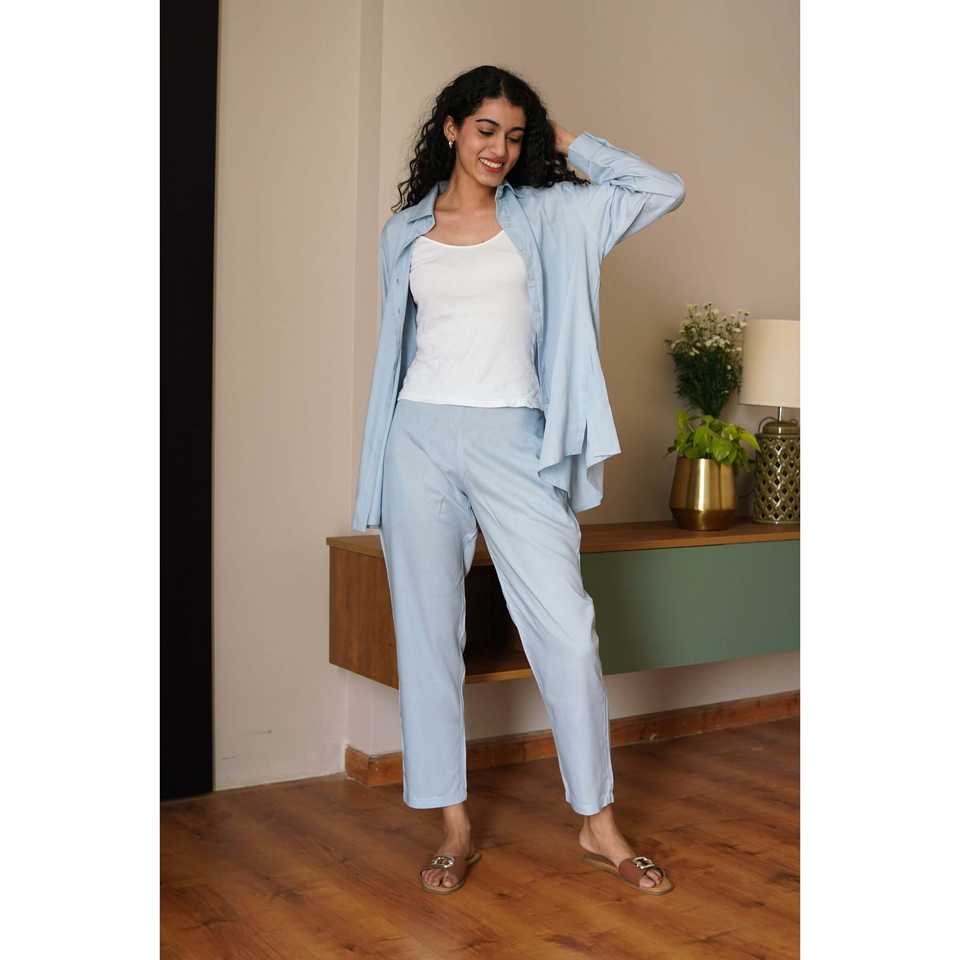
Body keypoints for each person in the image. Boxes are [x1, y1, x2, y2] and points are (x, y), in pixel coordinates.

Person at [352, 65, 685, 895]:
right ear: (450, 129)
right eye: (484, 129)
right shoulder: (403, 233)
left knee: (566, 630)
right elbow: (401, 348)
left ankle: (597, 823)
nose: (499, 148)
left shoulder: (553, 214)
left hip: (516, 438)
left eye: (514, 133)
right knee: (428, 637)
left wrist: (570, 143)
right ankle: (453, 826)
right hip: (417, 438)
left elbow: (662, 190)